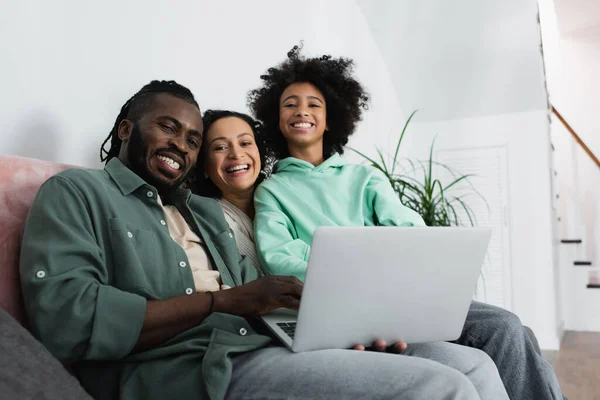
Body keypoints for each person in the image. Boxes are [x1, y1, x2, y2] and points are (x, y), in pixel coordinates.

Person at [20, 80, 498, 400]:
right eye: (168, 127)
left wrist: (338, 334)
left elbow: (261, 298)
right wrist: (222, 303)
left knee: (471, 364)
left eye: (191, 139)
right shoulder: (77, 192)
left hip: (262, 342)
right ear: (127, 129)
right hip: (193, 366)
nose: (180, 145)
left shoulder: (201, 210)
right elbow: (68, 319)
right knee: (439, 386)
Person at [246, 45, 566, 400]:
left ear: (331, 117)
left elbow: (409, 230)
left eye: (313, 104)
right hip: (339, 307)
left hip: (398, 295)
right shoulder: (271, 190)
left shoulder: (364, 177)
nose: (301, 110)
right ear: (276, 117)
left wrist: (394, 266)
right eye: (290, 103)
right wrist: (353, 273)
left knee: (504, 326)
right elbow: (280, 258)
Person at [196, 109, 509, 399]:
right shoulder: (207, 220)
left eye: (244, 142)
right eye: (220, 147)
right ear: (205, 167)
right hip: (297, 327)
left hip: (358, 310)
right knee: (448, 379)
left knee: (477, 364)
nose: (236, 153)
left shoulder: (285, 196)